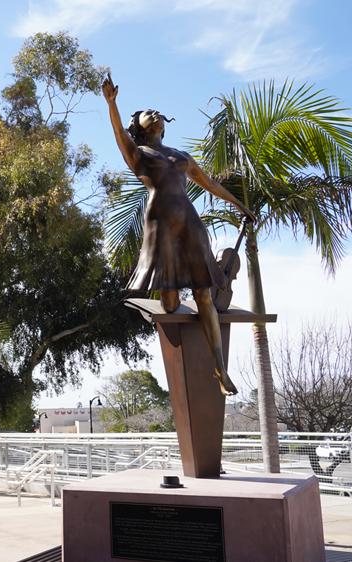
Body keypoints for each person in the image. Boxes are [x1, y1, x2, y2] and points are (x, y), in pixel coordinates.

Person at [102, 73, 255, 396]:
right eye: (149, 113)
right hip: (160, 223)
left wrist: (241, 205)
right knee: (170, 304)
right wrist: (112, 103)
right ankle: (171, 296)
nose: (156, 114)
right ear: (141, 127)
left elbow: (210, 184)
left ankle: (220, 369)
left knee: (203, 294)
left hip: (189, 222)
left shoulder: (182, 157)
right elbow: (118, 133)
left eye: (158, 113)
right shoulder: (138, 154)